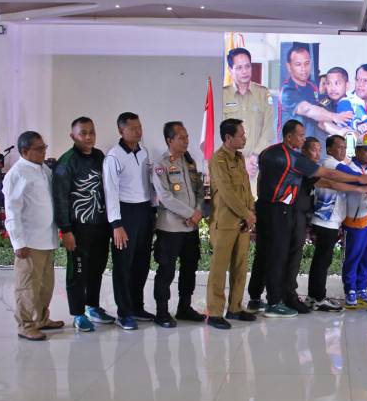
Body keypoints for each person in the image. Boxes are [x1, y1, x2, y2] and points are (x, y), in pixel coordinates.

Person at [250, 119, 367, 318]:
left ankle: (260, 298)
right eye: (301, 136)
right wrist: (359, 179)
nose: (303, 138)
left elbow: (325, 181)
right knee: (279, 256)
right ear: (289, 137)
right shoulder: (293, 158)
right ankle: (275, 301)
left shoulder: (271, 152)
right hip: (280, 211)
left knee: (269, 254)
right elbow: (328, 176)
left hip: (272, 208)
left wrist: (359, 187)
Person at [52, 117, 115, 332]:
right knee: (78, 271)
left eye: (92, 132)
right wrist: (66, 230)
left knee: (97, 268)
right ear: (73, 136)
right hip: (78, 228)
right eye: (83, 133)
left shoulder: (99, 156)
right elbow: (60, 199)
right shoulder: (66, 162)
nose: (88, 137)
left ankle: (92, 306)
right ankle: (78, 313)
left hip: (100, 224)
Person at [4, 131, 63, 340]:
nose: (43, 151)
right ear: (24, 151)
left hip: (47, 238)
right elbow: (12, 211)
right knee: (27, 286)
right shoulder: (16, 174)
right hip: (29, 242)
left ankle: (41, 319)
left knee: (45, 285)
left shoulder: (43, 168)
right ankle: (25, 324)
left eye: (44, 147)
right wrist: (18, 242)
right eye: (39, 149)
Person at [308, 134, 367, 312]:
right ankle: (317, 298)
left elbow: (344, 184)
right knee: (322, 260)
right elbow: (352, 176)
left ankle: (315, 296)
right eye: (339, 147)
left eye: (345, 147)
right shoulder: (330, 164)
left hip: (332, 220)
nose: (343, 150)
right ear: (329, 149)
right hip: (325, 219)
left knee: (323, 260)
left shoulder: (339, 166)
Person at [151, 122, 206, 328]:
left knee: (189, 268)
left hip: (190, 228)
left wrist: (197, 212)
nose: (186, 141)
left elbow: (199, 191)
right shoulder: (161, 164)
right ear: (169, 140)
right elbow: (165, 197)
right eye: (181, 138)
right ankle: (162, 312)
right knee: (166, 271)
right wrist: (191, 214)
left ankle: (185, 307)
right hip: (170, 228)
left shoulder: (189, 162)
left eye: (187, 137)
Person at [103, 112, 156, 330]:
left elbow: (149, 184)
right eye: (133, 128)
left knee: (142, 262)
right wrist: (116, 224)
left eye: (139, 127)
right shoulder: (114, 156)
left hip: (144, 211)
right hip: (124, 213)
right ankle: (124, 312)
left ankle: (137, 306)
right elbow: (110, 192)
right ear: (121, 130)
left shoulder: (144, 152)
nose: (138, 131)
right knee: (124, 265)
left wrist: (153, 209)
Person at [206, 118, 256, 330]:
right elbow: (226, 192)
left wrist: (251, 211)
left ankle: (235, 307)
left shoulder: (239, 158)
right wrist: (246, 214)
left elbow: (245, 188)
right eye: (241, 135)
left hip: (243, 221)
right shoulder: (218, 159)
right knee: (219, 268)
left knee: (240, 265)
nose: (244, 138)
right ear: (228, 137)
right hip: (226, 222)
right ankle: (215, 312)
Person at [338, 132, 367, 308]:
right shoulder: (350, 169)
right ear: (357, 151)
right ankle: (350, 289)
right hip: (355, 221)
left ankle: (361, 289)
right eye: (366, 150)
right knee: (353, 256)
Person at [222, 47, 275, 182]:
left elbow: (269, 129)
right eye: (239, 68)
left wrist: (255, 156)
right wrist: (240, 160)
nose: (244, 71)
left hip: (256, 166)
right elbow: (219, 134)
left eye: (247, 66)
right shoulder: (223, 95)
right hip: (229, 165)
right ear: (230, 70)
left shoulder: (263, 94)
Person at [279, 44, 351, 140]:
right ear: (289, 66)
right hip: (293, 145)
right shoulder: (287, 90)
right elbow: (307, 110)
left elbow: (322, 115)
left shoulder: (313, 86)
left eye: (307, 63)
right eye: (298, 64)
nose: (303, 68)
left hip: (313, 144)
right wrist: (334, 117)